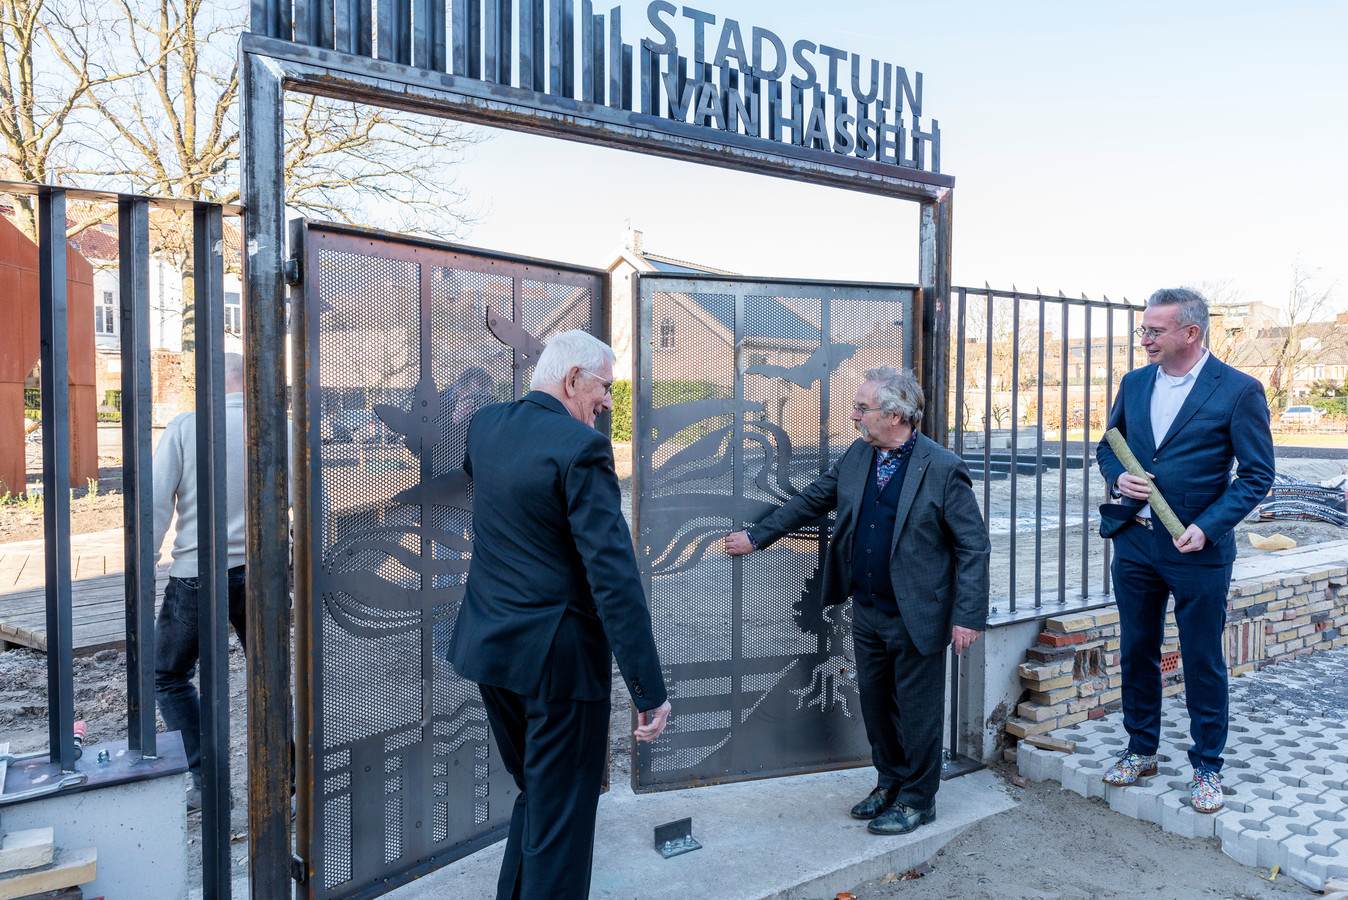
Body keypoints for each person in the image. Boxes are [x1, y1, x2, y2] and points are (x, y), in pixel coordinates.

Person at [447, 329, 672, 900]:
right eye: (604, 387)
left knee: (538, 796)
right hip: (558, 667)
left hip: (491, 651)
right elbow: (613, 579)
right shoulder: (582, 449)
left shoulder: (486, 427)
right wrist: (649, 688)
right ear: (572, 379)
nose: (608, 402)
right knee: (563, 814)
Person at [725, 366, 989, 836]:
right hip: (867, 609)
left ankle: (918, 799)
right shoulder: (858, 455)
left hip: (919, 613)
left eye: (862, 408)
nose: (854, 416)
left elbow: (973, 546)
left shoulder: (943, 467)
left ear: (894, 414)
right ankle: (889, 783)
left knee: (918, 711)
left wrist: (967, 616)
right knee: (875, 705)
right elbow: (812, 500)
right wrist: (758, 535)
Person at [1095, 288, 1274, 813]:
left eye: (1154, 330)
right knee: (1136, 649)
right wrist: (1119, 477)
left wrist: (1209, 527)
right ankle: (1140, 749)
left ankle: (1207, 766)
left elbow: (1257, 475)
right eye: (1143, 330)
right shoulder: (1134, 383)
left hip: (1196, 548)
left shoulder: (1239, 391)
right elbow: (1109, 444)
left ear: (1190, 333)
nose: (1144, 338)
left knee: (1201, 658)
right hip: (1134, 541)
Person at [153, 352, 247, 813]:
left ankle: (207, 783)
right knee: (272, 677)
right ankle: (289, 782)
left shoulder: (186, 427)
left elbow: (155, 503)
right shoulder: (280, 427)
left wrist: (144, 563)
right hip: (262, 575)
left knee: (168, 675)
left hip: (196, 574)